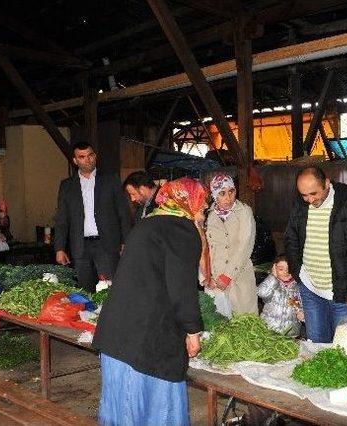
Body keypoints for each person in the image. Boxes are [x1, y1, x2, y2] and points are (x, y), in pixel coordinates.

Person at [93, 177, 207, 426]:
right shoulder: (182, 230)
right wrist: (192, 330)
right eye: (202, 203)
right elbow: (182, 287)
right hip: (145, 339)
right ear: (187, 200)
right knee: (152, 411)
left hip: (117, 334)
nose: (204, 209)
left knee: (123, 412)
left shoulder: (149, 223)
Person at [284, 166, 347, 343]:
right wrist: (298, 273)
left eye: (313, 193)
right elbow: (291, 238)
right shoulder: (301, 206)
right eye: (304, 195)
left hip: (344, 292)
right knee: (316, 344)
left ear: (326, 183)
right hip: (310, 288)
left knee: (344, 347)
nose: (310, 200)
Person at [54, 142, 132, 292]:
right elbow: (62, 219)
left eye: (90, 155)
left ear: (95, 156)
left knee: (110, 289)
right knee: (85, 291)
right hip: (80, 246)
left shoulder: (111, 180)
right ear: (75, 161)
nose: (87, 160)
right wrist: (59, 248)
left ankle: (111, 316)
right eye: (82, 157)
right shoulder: (67, 186)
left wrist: (125, 241)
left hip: (107, 244)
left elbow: (124, 213)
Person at [205, 174, 258, 315]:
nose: (228, 198)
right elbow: (205, 249)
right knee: (220, 327)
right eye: (222, 193)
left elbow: (245, 245)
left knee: (245, 324)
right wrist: (206, 277)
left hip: (239, 276)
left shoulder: (244, 212)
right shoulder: (208, 216)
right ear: (214, 195)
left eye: (231, 192)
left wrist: (227, 275)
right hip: (215, 279)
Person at [257, 254, 302, 337]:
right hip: (269, 330)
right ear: (274, 269)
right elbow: (262, 292)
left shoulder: (298, 288)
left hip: (290, 333)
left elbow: (299, 306)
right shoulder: (272, 285)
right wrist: (272, 277)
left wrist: (301, 314)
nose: (285, 272)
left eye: (289, 269)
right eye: (281, 269)